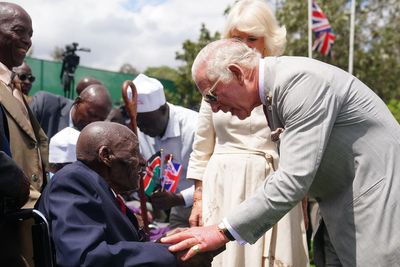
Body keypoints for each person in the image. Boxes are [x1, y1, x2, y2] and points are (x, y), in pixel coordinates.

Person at [162, 39, 400, 266]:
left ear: (237, 72)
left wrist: (221, 231)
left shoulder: (300, 83)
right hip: (343, 205)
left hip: (375, 204)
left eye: (211, 95)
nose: (214, 108)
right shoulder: (274, 92)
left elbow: (293, 178)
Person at [186, 1, 308, 266]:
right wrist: (198, 198)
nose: (244, 44)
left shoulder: (281, 80)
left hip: (274, 183)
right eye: (236, 37)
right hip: (224, 184)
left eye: (252, 38)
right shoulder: (215, 81)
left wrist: (304, 202)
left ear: (268, 40)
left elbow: (301, 147)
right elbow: (202, 145)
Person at [35, 121, 216, 267]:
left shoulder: (99, 186)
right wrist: (171, 255)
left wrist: (165, 243)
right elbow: (85, 258)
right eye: (134, 152)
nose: (143, 161)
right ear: (106, 155)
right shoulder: (73, 182)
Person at [134, 73, 198, 229]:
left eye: (147, 123)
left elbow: (212, 178)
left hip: (203, 203)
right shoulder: (141, 129)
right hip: (177, 207)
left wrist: (178, 198)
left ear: (163, 110)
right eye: (138, 123)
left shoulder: (194, 127)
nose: (142, 129)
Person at [0, 1, 48, 208]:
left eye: (30, 34)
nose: (27, 41)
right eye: (19, 31)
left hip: (25, 220)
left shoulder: (13, 85)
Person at [30, 84, 112, 138]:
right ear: (77, 102)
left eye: (101, 119)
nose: (93, 122)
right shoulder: (44, 104)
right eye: (91, 114)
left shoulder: (97, 134)